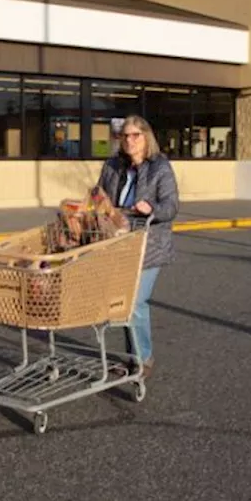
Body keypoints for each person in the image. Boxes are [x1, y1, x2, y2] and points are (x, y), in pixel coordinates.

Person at [93, 115, 180, 380]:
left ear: (146, 137)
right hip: (118, 241)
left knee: (136, 302)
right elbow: (100, 196)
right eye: (125, 136)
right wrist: (96, 205)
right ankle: (132, 359)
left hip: (148, 244)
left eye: (135, 135)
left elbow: (171, 206)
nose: (130, 141)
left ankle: (143, 359)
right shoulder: (113, 165)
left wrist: (151, 208)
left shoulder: (160, 167)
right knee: (122, 303)